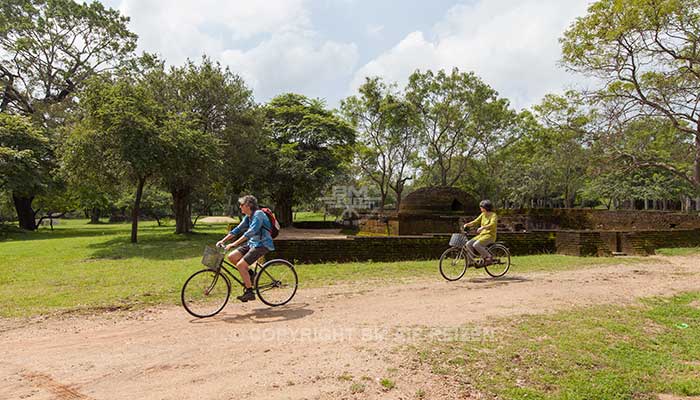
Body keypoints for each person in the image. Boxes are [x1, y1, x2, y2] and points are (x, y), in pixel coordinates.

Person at [216, 195, 274, 302]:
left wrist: (233, 244)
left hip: (262, 244)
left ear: (248, 205)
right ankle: (251, 275)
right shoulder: (248, 217)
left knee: (241, 265)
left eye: (241, 205)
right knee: (232, 257)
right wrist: (223, 240)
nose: (240, 207)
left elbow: (250, 232)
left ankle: (249, 292)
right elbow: (237, 229)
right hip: (252, 243)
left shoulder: (258, 215)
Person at [463, 199, 497, 266]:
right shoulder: (483, 214)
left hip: (490, 236)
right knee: (468, 244)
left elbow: (493, 224)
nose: (480, 208)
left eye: (481, 207)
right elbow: (475, 221)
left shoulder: (493, 215)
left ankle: (488, 257)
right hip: (482, 235)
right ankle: (471, 262)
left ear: (485, 208)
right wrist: (467, 224)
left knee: (476, 244)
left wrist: (483, 227)